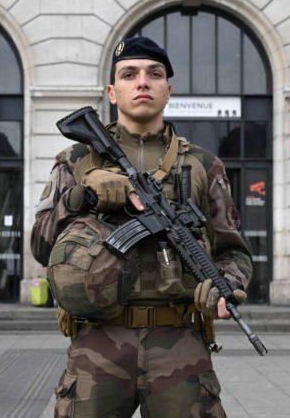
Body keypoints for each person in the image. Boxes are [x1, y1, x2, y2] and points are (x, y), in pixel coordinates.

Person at [31, 36, 252, 417]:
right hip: (98, 341)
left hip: (179, 341)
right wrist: (82, 196)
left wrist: (226, 284)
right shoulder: (76, 160)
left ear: (169, 90)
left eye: (154, 74)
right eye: (129, 74)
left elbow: (233, 250)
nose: (143, 82)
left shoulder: (203, 164)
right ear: (112, 92)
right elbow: (39, 244)